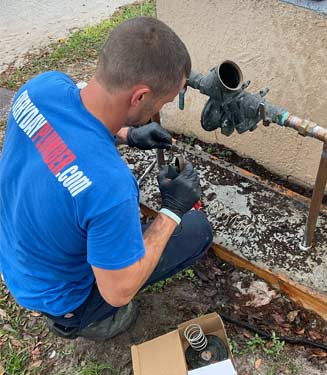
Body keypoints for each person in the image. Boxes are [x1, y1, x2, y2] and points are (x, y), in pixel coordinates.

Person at [0, 16, 213, 340]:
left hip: (16, 256)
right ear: (140, 96)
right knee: (196, 230)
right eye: (163, 101)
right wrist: (172, 209)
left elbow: (64, 135)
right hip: (62, 299)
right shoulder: (110, 186)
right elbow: (119, 291)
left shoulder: (41, 88)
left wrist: (127, 134)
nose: (160, 108)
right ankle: (91, 322)